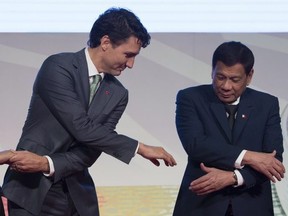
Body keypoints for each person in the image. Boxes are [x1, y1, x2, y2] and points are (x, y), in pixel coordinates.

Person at [1, 7, 176, 216]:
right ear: (105, 43)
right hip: (30, 189)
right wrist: (139, 147)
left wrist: (47, 163)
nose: (131, 64)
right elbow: (81, 127)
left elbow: (92, 149)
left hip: (78, 197)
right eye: (128, 55)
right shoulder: (58, 67)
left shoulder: (119, 93)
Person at [172, 41, 285, 216]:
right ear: (212, 71)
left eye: (235, 80)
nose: (226, 86)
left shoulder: (267, 104)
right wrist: (250, 156)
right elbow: (196, 145)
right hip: (201, 205)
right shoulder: (190, 98)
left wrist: (233, 178)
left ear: (249, 76)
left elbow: (273, 161)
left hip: (252, 205)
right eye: (220, 77)